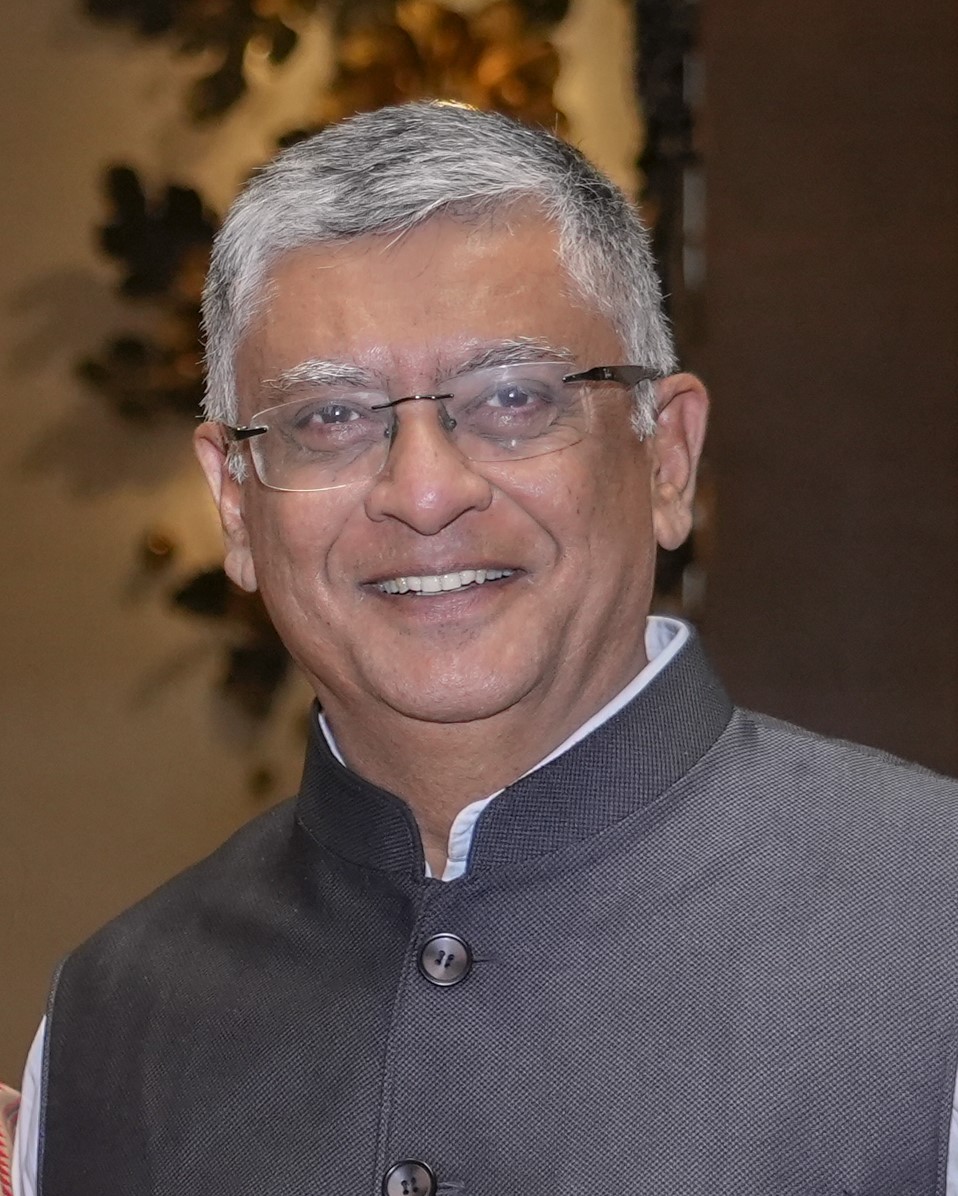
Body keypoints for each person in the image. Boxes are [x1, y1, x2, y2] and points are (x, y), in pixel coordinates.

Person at [14, 102, 958, 1196]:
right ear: (234, 501)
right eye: (329, 417)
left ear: (667, 458)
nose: (425, 492)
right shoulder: (108, 1027)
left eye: (513, 399)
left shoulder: (928, 928)